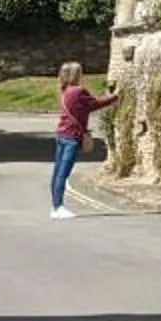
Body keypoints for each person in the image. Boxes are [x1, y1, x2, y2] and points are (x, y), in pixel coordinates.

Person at [53, 61, 117, 221]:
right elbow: (94, 104)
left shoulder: (64, 90)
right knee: (63, 174)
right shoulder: (78, 91)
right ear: (76, 75)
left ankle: (54, 206)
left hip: (61, 134)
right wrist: (115, 97)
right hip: (72, 137)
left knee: (57, 172)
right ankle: (58, 208)